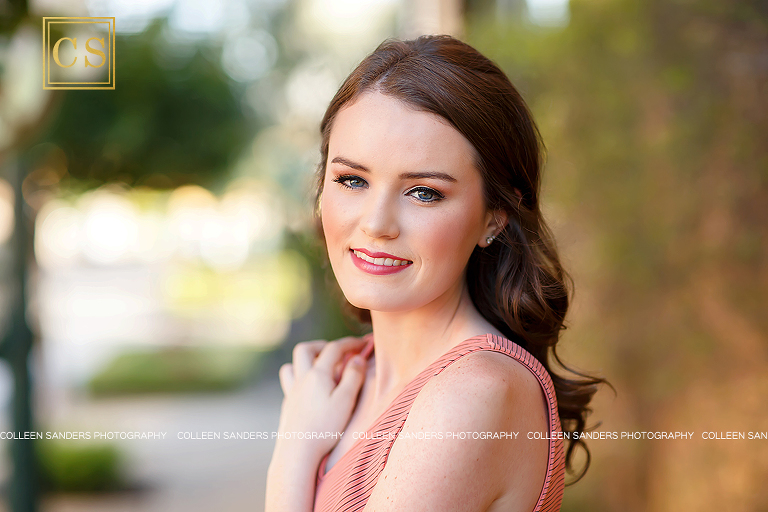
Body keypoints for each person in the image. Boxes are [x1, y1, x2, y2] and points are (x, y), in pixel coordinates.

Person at [265, 35, 606, 512]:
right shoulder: (344, 377)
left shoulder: (476, 393)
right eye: (352, 180)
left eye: (424, 192)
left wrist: (295, 447)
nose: (376, 224)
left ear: (494, 216)